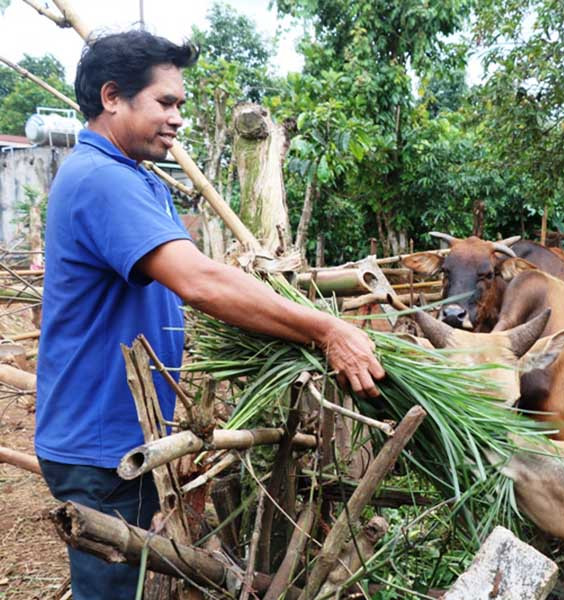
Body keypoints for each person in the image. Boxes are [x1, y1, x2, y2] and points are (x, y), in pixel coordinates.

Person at [35, 30, 385, 599]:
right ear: (112, 97)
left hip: (116, 431)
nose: (178, 119)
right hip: (99, 443)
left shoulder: (135, 178)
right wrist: (325, 328)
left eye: (182, 105)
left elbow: (198, 272)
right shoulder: (100, 180)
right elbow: (198, 281)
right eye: (165, 102)